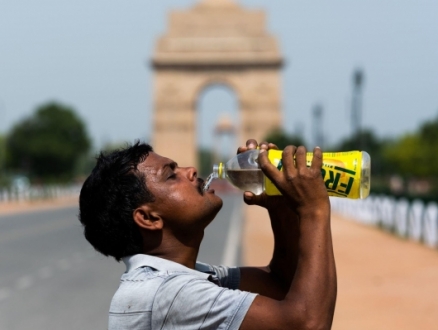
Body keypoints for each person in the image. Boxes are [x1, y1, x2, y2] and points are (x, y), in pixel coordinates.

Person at [78, 139, 337, 330]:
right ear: (148, 218)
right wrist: (313, 210)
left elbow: (280, 285)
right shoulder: (169, 294)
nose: (191, 170)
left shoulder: (177, 278)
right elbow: (308, 324)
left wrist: (280, 207)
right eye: (171, 175)